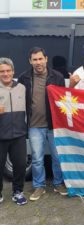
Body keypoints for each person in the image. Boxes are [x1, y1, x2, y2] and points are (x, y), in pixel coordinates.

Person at [18, 47, 67, 201]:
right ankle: (39, 186)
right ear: (30, 61)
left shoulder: (57, 77)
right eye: (35, 59)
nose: (38, 62)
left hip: (54, 125)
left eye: (40, 59)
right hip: (34, 125)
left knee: (57, 157)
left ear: (46, 59)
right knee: (37, 159)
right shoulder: (24, 78)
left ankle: (58, 183)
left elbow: (63, 100)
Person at [0, 58, 27, 205]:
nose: (5, 74)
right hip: (0, 135)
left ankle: (18, 192)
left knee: (20, 165)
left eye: (8, 70)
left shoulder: (22, 88)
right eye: (2, 71)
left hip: (19, 135)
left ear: (13, 71)